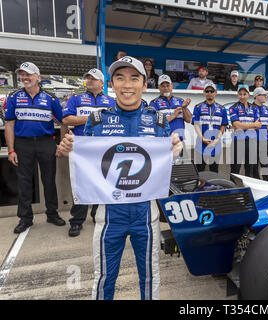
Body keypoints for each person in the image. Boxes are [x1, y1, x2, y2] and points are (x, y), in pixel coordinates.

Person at [57, 56, 182, 300]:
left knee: (150, 277)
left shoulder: (158, 121)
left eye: (134, 78)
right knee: (104, 278)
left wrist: (177, 151)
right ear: (111, 85)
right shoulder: (97, 120)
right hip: (109, 215)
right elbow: (86, 160)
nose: (127, 84)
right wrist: (68, 149)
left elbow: (168, 164)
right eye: (120, 78)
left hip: (146, 215)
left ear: (144, 85)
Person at [4, 62, 66, 234]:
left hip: (46, 142)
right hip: (22, 144)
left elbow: (64, 122)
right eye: (22, 75)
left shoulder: (51, 98)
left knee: (49, 181)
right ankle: (25, 218)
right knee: (24, 182)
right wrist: (11, 150)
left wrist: (61, 144)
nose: (24, 77)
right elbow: (9, 124)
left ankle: (52, 214)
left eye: (28, 74)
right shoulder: (14, 96)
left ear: (38, 77)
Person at [62, 68, 116, 237]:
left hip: (103, 147)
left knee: (101, 182)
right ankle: (77, 221)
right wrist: (94, 117)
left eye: (94, 79)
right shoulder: (76, 99)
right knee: (81, 185)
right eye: (88, 78)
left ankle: (96, 215)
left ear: (102, 83)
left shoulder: (110, 101)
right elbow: (66, 119)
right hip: (82, 147)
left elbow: (116, 121)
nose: (90, 81)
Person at [192, 83, 228, 173]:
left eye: (212, 91)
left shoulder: (222, 109)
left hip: (216, 145)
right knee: (199, 172)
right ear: (204, 92)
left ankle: (213, 187)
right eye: (207, 91)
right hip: (201, 145)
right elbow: (196, 125)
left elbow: (223, 126)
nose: (209, 93)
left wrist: (217, 140)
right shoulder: (198, 107)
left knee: (214, 172)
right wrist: (202, 138)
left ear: (215, 92)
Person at [229, 85, 261, 178]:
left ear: (248, 95)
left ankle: (249, 189)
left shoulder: (254, 108)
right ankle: (233, 189)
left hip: (251, 141)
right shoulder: (233, 107)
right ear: (237, 95)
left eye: (244, 94)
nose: (242, 96)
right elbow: (236, 125)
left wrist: (243, 126)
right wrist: (252, 125)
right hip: (237, 141)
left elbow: (258, 125)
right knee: (235, 168)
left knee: (250, 168)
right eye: (240, 94)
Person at [149, 74, 192, 142]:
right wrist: (173, 116)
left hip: (178, 141)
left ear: (172, 86)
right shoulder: (154, 103)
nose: (166, 88)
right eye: (163, 86)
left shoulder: (180, 101)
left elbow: (189, 120)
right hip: (162, 141)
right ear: (158, 87)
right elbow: (154, 122)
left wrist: (184, 108)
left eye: (168, 85)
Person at [252, 87, 268, 181]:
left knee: (266, 165)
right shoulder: (249, 108)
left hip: (265, 141)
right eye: (264, 95)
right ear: (256, 96)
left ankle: (267, 184)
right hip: (253, 141)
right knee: (254, 166)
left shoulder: (267, 109)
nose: (266, 96)